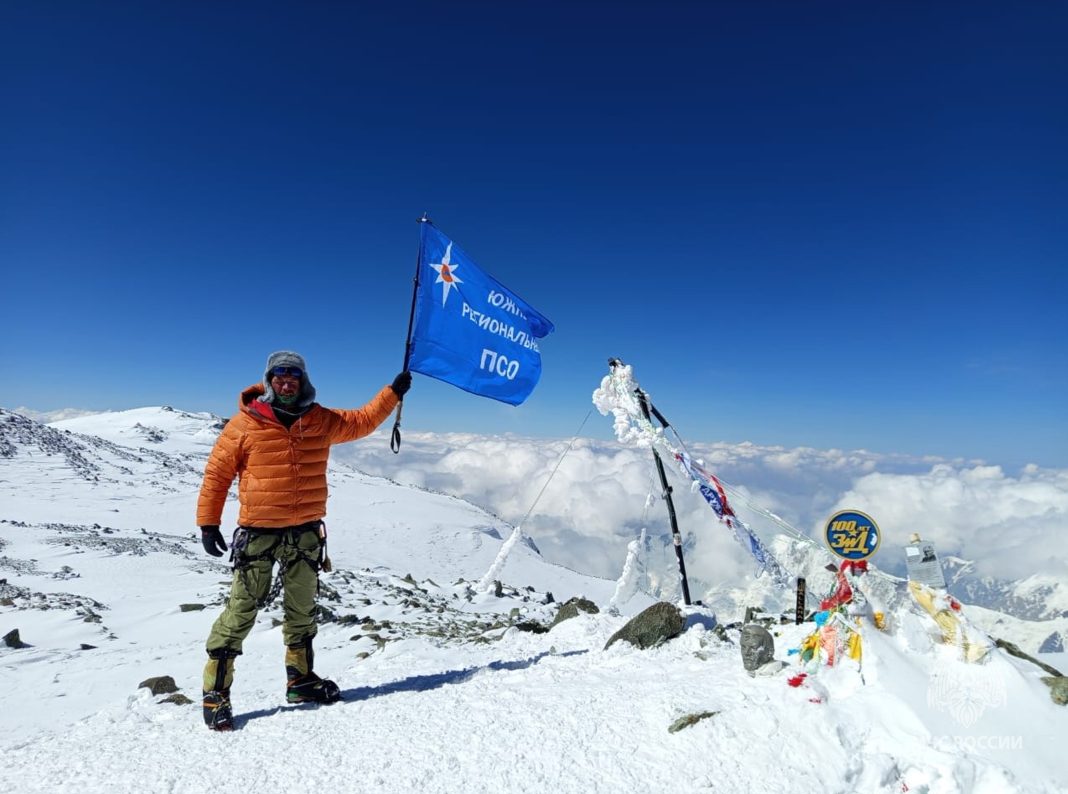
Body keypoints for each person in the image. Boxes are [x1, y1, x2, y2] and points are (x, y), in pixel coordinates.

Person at [196, 350, 412, 731]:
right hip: (259, 533)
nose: (286, 381)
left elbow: (361, 421)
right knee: (240, 611)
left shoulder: (320, 419)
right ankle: (216, 694)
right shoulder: (244, 424)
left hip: (306, 533)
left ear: (303, 380)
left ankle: (300, 682)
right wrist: (208, 522)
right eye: (279, 376)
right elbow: (217, 475)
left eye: (293, 375)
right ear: (268, 380)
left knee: (302, 610)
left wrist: (392, 394)